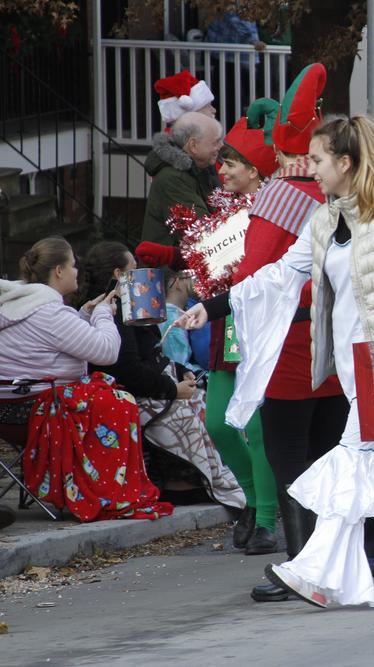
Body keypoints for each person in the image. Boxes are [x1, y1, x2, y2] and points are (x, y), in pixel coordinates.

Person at [176, 115, 374, 608]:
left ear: (345, 162)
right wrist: (211, 307)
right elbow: (277, 276)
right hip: (355, 365)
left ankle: (319, 572)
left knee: (355, 458)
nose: (308, 168)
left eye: (316, 160)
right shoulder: (324, 220)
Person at [139, 109, 282, 557]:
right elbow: (204, 263)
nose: (221, 170)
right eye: (221, 162)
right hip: (224, 327)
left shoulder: (277, 210)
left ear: (254, 170)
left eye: (231, 164)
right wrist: (175, 256)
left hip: (261, 326)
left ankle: (264, 517)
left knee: (258, 429)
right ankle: (248, 501)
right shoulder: (219, 212)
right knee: (219, 423)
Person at [0, 238, 173, 522]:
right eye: (73, 265)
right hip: (36, 410)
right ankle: (105, 493)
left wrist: (84, 314)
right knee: (118, 401)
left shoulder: (22, 305)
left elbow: (56, 339)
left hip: (12, 406)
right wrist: (104, 313)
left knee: (103, 393)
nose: (77, 271)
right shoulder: (48, 312)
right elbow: (106, 351)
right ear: (58, 271)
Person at [79, 242, 246, 513]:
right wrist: (172, 389)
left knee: (210, 404)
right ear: (118, 274)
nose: (141, 272)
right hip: (128, 392)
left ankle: (222, 477)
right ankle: (189, 483)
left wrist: (180, 373)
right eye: (134, 269)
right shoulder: (109, 311)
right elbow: (127, 369)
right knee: (184, 409)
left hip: (151, 384)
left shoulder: (132, 306)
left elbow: (154, 355)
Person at [142, 112, 223, 245]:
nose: (221, 146)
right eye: (215, 142)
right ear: (193, 145)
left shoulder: (200, 170)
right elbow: (201, 231)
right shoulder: (173, 179)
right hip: (169, 264)